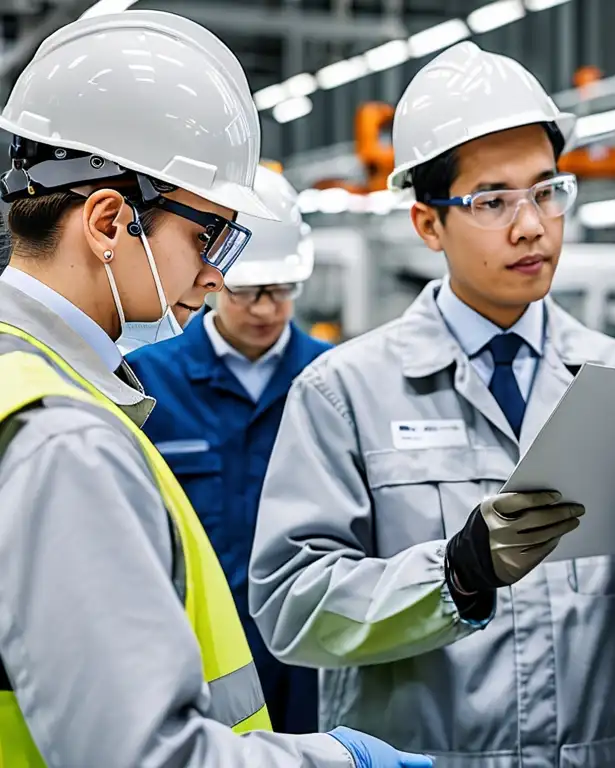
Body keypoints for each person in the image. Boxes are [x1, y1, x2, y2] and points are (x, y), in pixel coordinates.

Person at [250, 41, 615, 767]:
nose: (532, 226)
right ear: (428, 224)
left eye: (548, 191)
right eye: (493, 201)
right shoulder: (345, 392)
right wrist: (454, 575)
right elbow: (292, 610)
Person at [0, 11, 431, 768]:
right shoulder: (65, 439)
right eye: (208, 238)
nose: (218, 276)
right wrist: (338, 763)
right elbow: (144, 756)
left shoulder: (26, 377)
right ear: (109, 220)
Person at [127, 165, 331, 735]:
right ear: (216, 280)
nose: (266, 309)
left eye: (282, 290)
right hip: (197, 649)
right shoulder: (147, 381)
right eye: (249, 291)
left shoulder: (334, 379)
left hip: (309, 649)